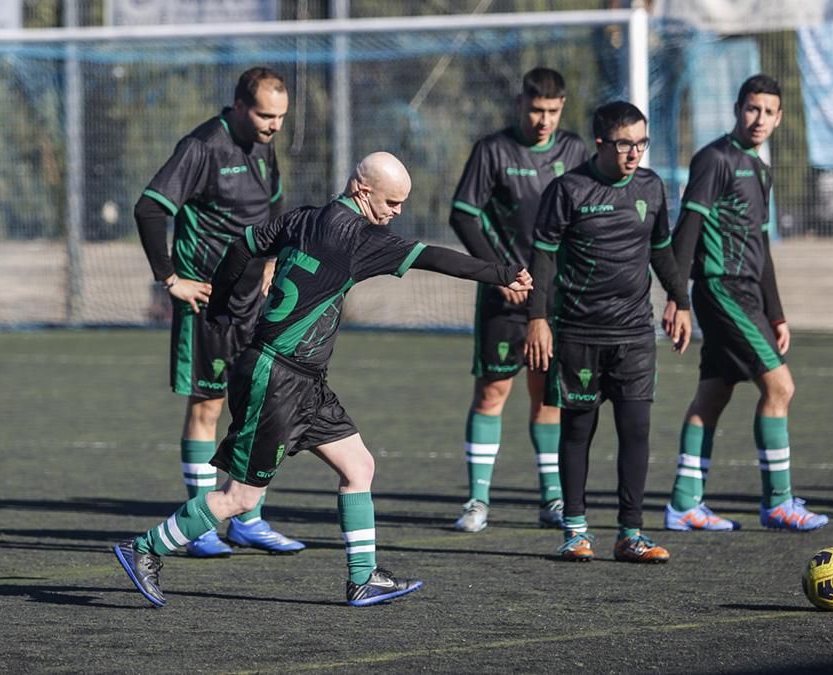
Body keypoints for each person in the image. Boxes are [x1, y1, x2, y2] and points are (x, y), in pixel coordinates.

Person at [114, 152, 534, 608]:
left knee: (359, 467)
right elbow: (432, 257)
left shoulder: (302, 218)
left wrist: (221, 308)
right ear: (362, 190)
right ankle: (145, 548)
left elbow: (242, 246)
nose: (397, 212)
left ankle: (363, 579)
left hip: (302, 378)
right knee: (239, 497)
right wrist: (501, 273)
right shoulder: (360, 237)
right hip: (276, 377)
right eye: (391, 202)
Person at [133, 67, 304, 556]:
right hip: (207, 304)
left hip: (256, 300)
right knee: (207, 406)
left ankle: (247, 517)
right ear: (239, 106)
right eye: (266, 116)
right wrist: (170, 279)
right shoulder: (202, 146)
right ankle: (199, 525)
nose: (274, 125)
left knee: (257, 402)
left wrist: (271, 259)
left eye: (281, 117)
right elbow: (149, 208)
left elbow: (273, 208)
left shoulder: (264, 144)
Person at [525, 101, 692, 563]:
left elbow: (662, 251)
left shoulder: (651, 186)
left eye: (641, 142)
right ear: (600, 143)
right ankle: (575, 530)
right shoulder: (568, 189)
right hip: (578, 331)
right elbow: (543, 258)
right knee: (578, 429)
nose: (634, 152)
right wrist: (537, 319)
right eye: (624, 143)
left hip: (635, 333)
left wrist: (680, 299)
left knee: (636, 429)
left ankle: (630, 534)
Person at [664, 74, 828, 533]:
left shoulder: (760, 168)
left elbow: (761, 244)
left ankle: (683, 504)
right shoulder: (714, 159)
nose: (759, 119)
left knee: (713, 395)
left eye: (768, 112)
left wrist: (776, 312)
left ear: (779, 118)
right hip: (720, 288)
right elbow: (687, 232)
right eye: (751, 108)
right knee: (780, 388)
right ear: (738, 109)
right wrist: (678, 299)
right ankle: (778, 502)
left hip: (749, 295)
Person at [448, 67, 589, 533]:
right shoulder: (493, 150)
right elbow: (463, 215)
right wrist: (497, 273)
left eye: (551, 111)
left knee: (548, 397)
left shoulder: (575, 151)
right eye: (535, 110)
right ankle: (477, 502)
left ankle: (551, 499)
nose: (543, 120)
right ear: (520, 105)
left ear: (562, 108)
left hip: (557, 298)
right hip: (504, 298)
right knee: (492, 393)